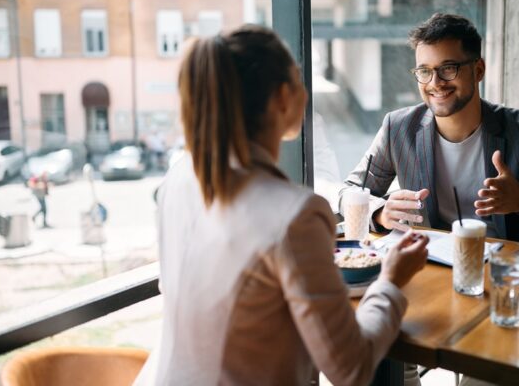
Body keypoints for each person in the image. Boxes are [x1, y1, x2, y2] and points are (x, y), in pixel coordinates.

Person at [133, 25, 430, 385]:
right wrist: (392, 280)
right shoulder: (294, 215)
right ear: (283, 98)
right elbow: (351, 368)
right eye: (298, 80)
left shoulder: (179, 179)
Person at [343, 13, 519, 246]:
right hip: (431, 264)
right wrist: (378, 213)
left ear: (478, 70)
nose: (435, 83)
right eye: (424, 71)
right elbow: (349, 191)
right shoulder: (398, 128)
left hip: (500, 267)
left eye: (448, 69)